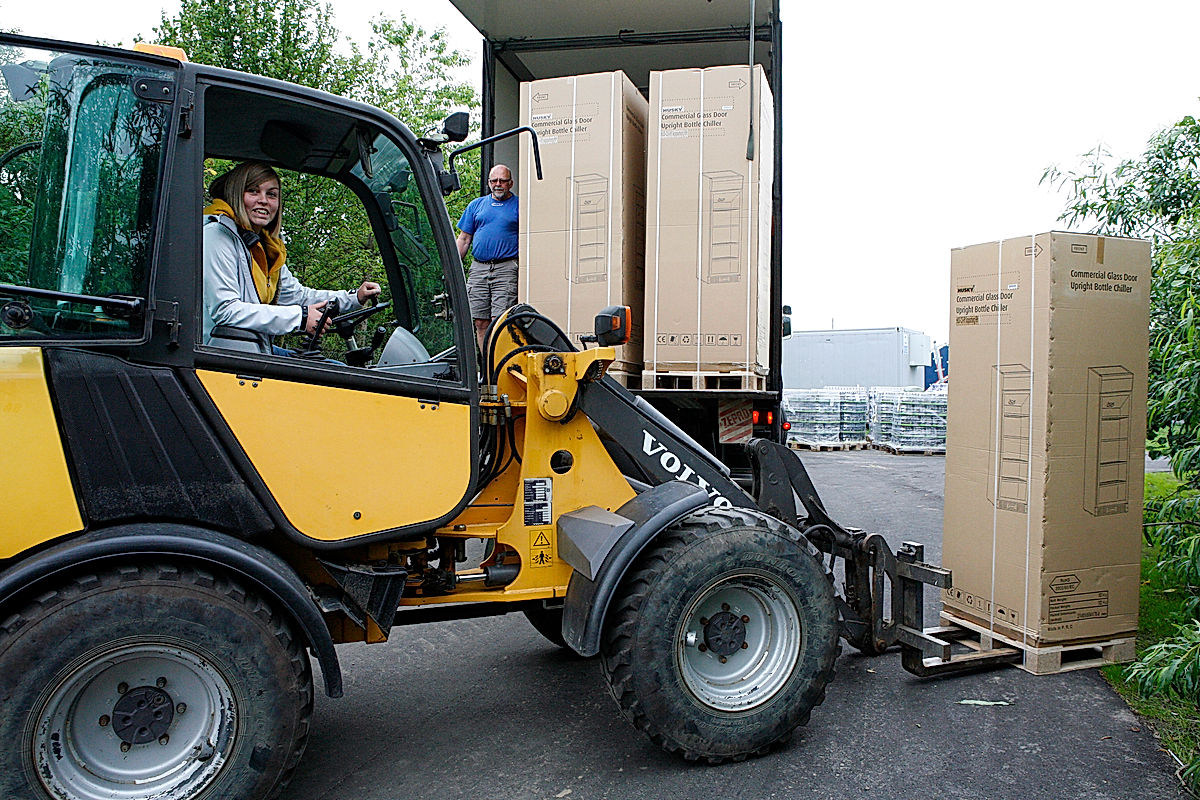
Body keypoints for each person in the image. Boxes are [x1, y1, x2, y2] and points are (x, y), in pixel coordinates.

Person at [202, 161, 380, 355]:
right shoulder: (217, 235)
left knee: (335, 369)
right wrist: (300, 318)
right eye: (253, 191)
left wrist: (354, 297)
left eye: (271, 194)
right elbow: (226, 311)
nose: (263, 200)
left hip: (256, 350)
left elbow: (298, 297)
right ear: (236, 194)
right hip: (219, 357)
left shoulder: (265, 248)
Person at [456, 164, 519, 354]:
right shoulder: (476, 205)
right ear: (489, 183)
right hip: (479, 268)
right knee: (480, 321)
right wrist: (451, 268)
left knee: (499, 322)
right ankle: (487, 368)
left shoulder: (519, 205)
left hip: (506, 268)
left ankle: (500, 367)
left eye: (502, 181)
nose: (498, 184)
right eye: (494, 181)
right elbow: (464, 238)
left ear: (511, 183)